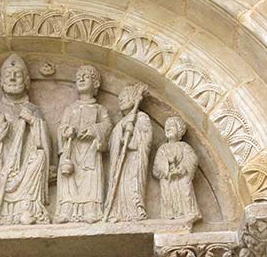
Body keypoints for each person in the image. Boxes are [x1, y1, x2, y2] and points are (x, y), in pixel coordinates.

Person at [0, 54, 52, 226]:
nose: (13, 78)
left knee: (39, 156)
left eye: (18, 74)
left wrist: (32, 121)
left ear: (27, 81)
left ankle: (27, 207)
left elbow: (42, 141)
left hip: (23, 163)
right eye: (8, 75)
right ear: (1, 81)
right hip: (1, 163)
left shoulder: (33, 109)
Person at [55, 65, 111, 223]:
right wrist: (67, 131)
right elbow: (62, 128)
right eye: (78, 76)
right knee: (69, 181)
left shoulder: (100, 109)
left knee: (90, 178)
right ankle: (66, 209)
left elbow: (107, 126)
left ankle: (90, 209)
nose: (80, 79)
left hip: (90, 151)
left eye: (85, 76)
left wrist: (94, 130)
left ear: (96, 83)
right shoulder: (70, 109)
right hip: (72, 151)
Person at [105, 83, 152, 222]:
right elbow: (112, 143)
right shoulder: (121, 122)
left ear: (133, 99)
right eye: (119, 98)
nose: (121, 100)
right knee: (119, 185)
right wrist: (121, 133)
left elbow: (146, 139)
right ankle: (117, 211)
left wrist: (133, 136)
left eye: (124, 97)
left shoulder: (141, 117)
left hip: (134, 159)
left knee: (131, 184)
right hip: (121, 159)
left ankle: (134, 211)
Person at [152, 116, 200, 224]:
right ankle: (170, 215)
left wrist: (181, 168)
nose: (167, 128)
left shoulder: (184, 146)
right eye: (166, 127)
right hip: (168, 180)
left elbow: (192, 159)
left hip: (181, 178)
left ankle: (187, 213)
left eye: (171, 126)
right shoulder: (162, 149)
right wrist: (167, 164)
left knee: (185, 193)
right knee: (168, 198)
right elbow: (156, 166)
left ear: (179, 130)